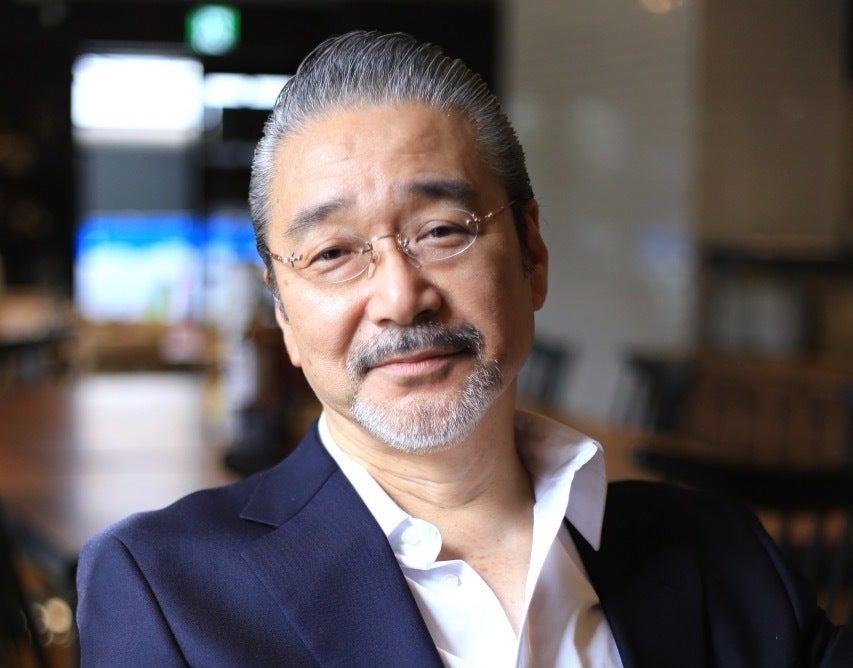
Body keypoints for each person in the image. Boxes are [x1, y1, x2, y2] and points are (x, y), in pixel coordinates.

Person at [75, 30, 852, 667]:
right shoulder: (167, 591)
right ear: (282, 310)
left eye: (442, 231)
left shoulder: (719, 552)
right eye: (333, 253)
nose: (399, 296)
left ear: (531, 255)